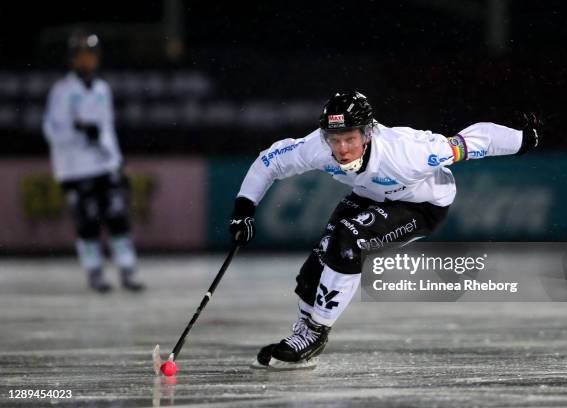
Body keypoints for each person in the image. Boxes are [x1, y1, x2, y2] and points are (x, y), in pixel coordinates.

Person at [229, 91, 541, 369]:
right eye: (334, 140)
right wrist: (243, 211)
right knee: (318, 262)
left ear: (367, 134)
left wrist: (522, 140)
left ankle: (316, 332)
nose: (342, 149)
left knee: (348, 239)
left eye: (350, 139)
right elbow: (268, 162)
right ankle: (303, 333)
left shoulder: (409, 153)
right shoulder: (317, 147)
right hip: (368, 196)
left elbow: (475, 141)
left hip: (422, 206)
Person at [42, 31, 144, 293]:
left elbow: (107, 129)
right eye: (82, 55)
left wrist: (117, 162)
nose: (87, 60)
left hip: (102, 164)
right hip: (75, 168)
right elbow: (51, 130)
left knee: (117, 215)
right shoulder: (62, 91)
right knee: (87, 222)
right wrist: (77, 131)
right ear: (73, 59)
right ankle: (95, 271)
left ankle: (127, 269)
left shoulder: (102, 89)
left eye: (91, 55)